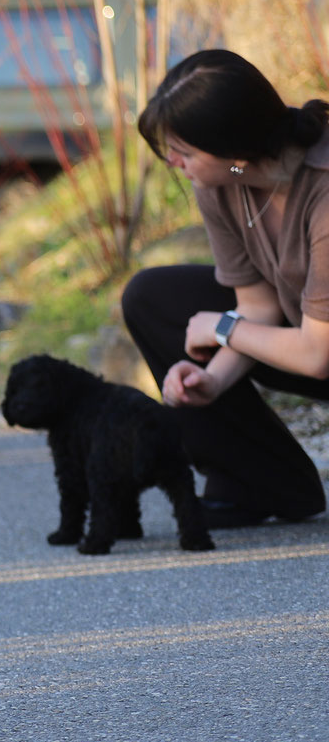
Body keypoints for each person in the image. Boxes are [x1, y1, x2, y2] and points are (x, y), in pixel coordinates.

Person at [121, 48, 329, 528]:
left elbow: (318, 355)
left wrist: (221, 329)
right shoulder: (229, 177)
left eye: (186, 152)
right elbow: (257, 307)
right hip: (301, 335)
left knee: (214, 323)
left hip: (319, 346)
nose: (174, 162)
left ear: (235, 144)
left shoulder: (321, 192)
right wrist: (210, 381)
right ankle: (260, 483)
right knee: (152, 297)